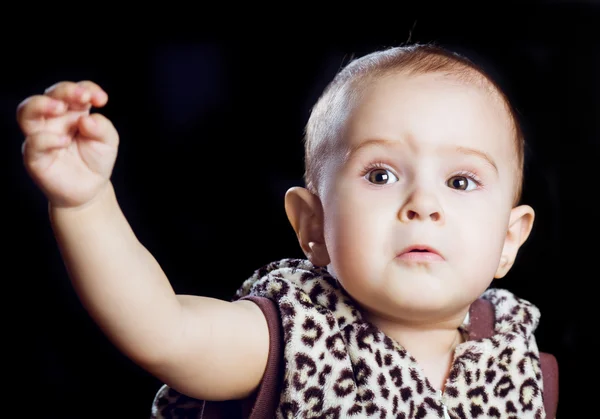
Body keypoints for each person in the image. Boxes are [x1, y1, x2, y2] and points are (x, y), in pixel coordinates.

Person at [17, 43, 558, 418]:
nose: (423, 204)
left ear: (510, 239)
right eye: (381, 174)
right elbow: (162, 327)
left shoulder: (519, 362)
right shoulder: (288, 337)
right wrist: (84, 203)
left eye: (461, 181)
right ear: (313, 225)